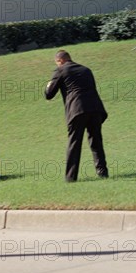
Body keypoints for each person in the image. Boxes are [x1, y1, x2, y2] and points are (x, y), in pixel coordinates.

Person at [44, 50, 108, 182]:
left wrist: (48, 84)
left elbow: (49, 94)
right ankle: (103, 173)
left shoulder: (61, 70)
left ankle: (71, 178)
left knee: (74, 143)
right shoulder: (86, 69)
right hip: (95, 108)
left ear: (60, 61)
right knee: (96, 142)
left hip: (77, 110)